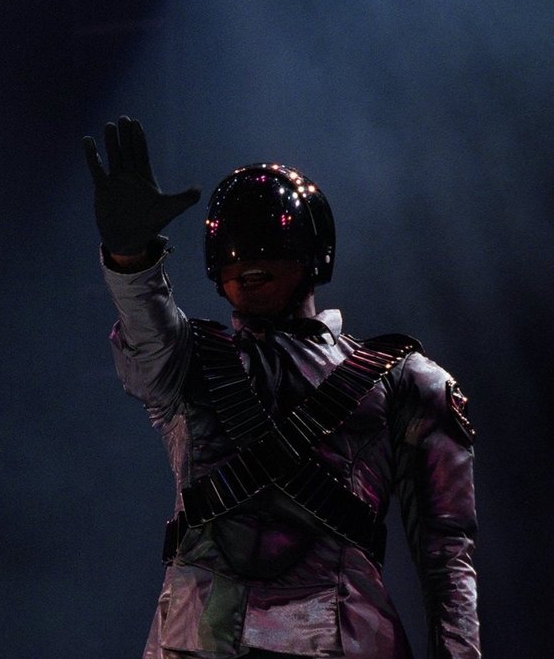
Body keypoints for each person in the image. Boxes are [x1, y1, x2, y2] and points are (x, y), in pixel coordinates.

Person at [85, 117, 479, 658]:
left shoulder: (406, 379)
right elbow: (145, 326)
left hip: (339, 639)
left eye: (267, 241)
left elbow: (447, 554)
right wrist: (130, 260)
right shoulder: (185, 361)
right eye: (234, 247)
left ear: (311, 252)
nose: (246, 259)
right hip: (198, 639)